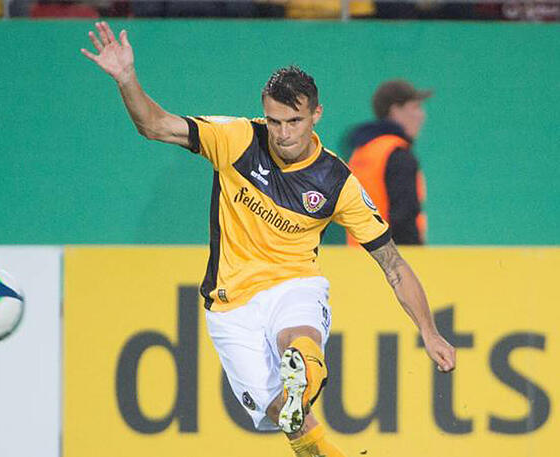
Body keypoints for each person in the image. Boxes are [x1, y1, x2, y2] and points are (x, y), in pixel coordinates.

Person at [81, 22, 456, 457]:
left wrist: (429, 331)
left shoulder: (336, 181)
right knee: (287, 417)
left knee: (296, 338)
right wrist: (127, 79)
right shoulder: (237, 139)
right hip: (229, 305)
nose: (283, 133)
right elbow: (155, 126)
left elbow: (393, 264)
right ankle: (301, 393)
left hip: (292, 283)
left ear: (316, 114)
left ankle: (303, 369)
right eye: (274, 121)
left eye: (294, 121)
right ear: (264, 113)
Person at [346, 80, 430, 245]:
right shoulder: (397, 154)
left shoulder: (361, 152)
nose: (422, 115)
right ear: (395, 111)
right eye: (415, 107)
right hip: (391, 253)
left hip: (358, 254)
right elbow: (403, 217)